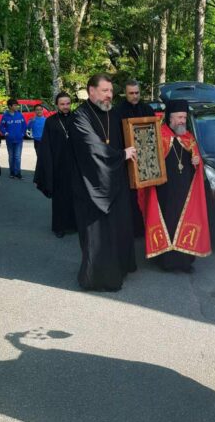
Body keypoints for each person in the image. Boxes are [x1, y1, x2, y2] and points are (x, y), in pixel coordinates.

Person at [69, 74, 137, 291]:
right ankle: (99, 278)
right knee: (99, 236)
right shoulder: (80, 117)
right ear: (91, 91)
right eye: (105, 91)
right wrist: (121, 155)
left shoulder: (113, 114)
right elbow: (92, 148)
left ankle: (121, 267)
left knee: (120, 227)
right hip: (92, 187)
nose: (109, 95)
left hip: (118, 182)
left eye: (111, 91)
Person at [138, 99, 211, 272]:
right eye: (179, 117)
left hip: (185, 191)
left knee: (184, 221)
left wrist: (196, 162)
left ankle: (185, 261)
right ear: (170, 118)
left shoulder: (189, 137)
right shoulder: (159, 135)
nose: (182, 121)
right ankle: (166, 261)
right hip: (165, 190)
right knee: (168, 223)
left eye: (184, 118)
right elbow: (148, 162)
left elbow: (196, 164)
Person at [115, 79, 155, 237]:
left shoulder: (147, 109)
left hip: (146, 159)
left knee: (146, 194)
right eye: (131, 93)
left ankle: (146, 226)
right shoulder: (117, 111)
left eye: (137, 93)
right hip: (126, 160)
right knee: (129, 197)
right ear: (125, 93)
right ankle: (131, 229)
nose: (134, 96)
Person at [34, 92, 77, 239]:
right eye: (62, 104)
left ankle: (74, 225)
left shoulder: (77, 119)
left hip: (75, 166)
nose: (65, 106)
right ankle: (60, 227)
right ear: (57, 105)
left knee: (74, 196)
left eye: (68, 103)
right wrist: (47, 167)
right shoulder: (50, 121)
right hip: (58, 166)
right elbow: (45, 146)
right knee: (59, 199)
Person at [0, 99, 27, 179]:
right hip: (9, 140)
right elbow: (1, 126)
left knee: (17, 157)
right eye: (15, 105)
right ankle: (12, 172)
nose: (16, 107)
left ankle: (18, 173)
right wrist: (5, 133)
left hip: (19, 139)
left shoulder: (20, 115)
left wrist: (22, 133)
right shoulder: (5, 116)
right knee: (11, 157)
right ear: (10, 106)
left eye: (16, 105)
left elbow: (24, 125)